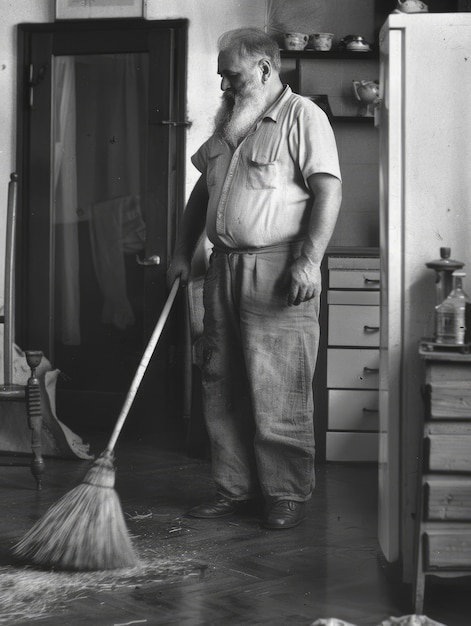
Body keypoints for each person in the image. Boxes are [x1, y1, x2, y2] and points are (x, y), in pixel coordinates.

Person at [167, 27, 342, 530]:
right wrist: (184, 252)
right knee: (220, 380)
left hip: (278, 269)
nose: (223, 85)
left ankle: (285, 493)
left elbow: (328, 192)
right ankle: (233, 488)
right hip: (221, 269)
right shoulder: (228, 125)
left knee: (278, 384)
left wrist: (309, 261)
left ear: (265, 69)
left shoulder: (303, 117)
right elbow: (201, 195)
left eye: (231, 74)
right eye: (221, 75)